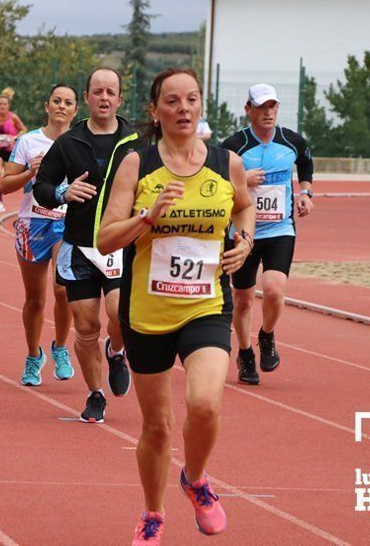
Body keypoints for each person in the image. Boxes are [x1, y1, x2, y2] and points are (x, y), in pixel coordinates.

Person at [97, 68, 254, 543]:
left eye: (191, 100)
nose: (183, 109)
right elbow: (105, 238)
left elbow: (243, 205)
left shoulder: (226, 163)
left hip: (206, 304)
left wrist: (244, 240)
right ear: (154, 110)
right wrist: (148, 216)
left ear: (201, 106)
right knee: (158, 428)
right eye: (172, 101)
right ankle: (153, 513)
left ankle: (196, 479)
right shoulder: (136, 164)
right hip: (146, 312)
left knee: (204, 403)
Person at [33, 67, 141, 423]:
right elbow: (42, 186)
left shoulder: (136, 143)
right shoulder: (69, 143)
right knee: (85, 326)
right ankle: (96, 394)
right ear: (87, 98)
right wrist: (63, 192)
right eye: (98, 91)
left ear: (120, 99)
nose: (104, 98)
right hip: (79, 246)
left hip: (122, 247)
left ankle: (116, 350)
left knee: (119, 315)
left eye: (111, 92)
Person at [220, 84, 314, 385]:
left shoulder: (291, 141)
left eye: (273, 106)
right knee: (243, 298)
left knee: (274, 289)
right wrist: (241, 178)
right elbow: (215, 178)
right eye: (262, 107)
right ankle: (246, 354)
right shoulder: (234, 144)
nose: (268, 112)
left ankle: (267, 334)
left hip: (279, 229)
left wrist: (305, 192)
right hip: (242, 233)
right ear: (249, 110)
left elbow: (306, 163)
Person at [0, 84, 78, 386]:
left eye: (67, 102)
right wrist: (30, 173)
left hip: (66, 222)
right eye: (56, 100)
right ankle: (34, 355)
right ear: (47, 106)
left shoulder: (79, 142)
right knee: (35, 299)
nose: (61, 106)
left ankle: (60, 347)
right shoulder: (29, 141)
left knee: (63, 288)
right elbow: (6, 184)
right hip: (32, 224)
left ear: (75, 109)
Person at [0, 88, 27, 212]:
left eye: (5, 104)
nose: (2, 106)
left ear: (8, 106)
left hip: (10, 151)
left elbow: (24, 129)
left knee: (9, 178)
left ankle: (25, 200)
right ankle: (0, 203)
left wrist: (14, 137)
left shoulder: (13, 118)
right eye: (0, 104)